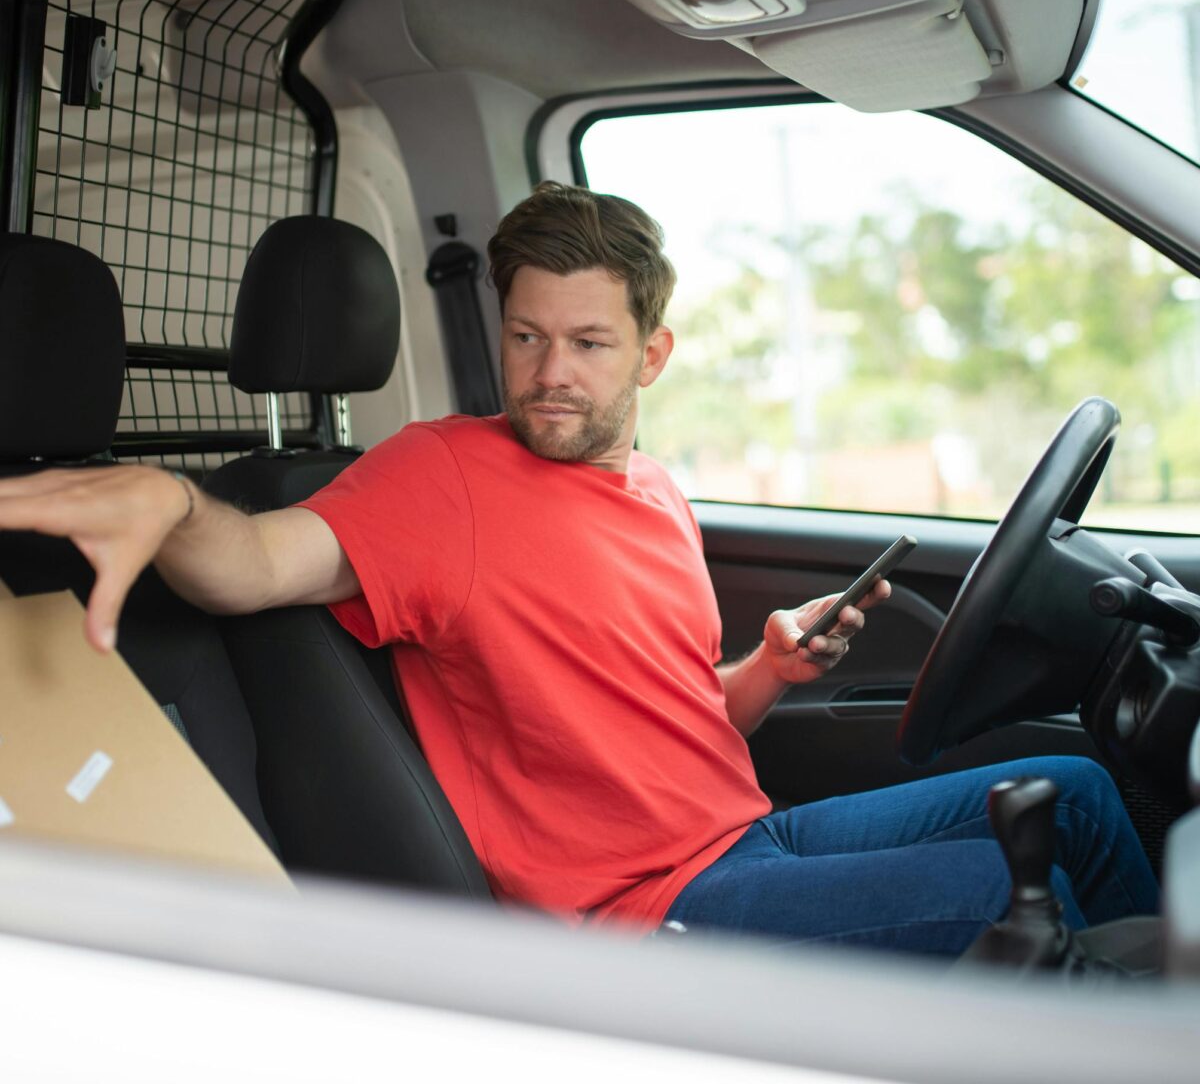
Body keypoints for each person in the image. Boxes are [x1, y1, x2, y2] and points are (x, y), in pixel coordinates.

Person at [0, 183, 1157, 954]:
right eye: (526, 337)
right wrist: (168, 500)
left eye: (589, 343)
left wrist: (761, 670)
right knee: (1009, 894)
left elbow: (659, 721)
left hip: (743, 836)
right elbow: (251, 564)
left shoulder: (653, 491)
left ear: (652, 353)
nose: (550, 373)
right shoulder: (438, 475)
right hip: (647, 913)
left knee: (1088, 804)